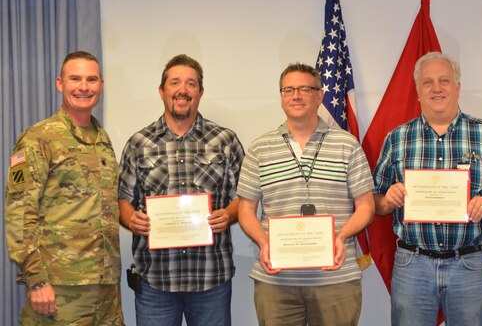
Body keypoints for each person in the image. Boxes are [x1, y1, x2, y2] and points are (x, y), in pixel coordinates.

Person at [372, 52, 482, 326]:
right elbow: (376, 200)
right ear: (417, 91)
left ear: (458, 87)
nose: (437, 88)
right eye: (427, 82)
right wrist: (389, 200)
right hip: (413, 264)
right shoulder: (396, 138)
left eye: (444, 80)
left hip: (468, 264)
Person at [238, 62, 375, 326]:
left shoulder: (347, 144)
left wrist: (342, 236)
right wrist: (264, 243)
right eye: (288, 90)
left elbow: (366, 207)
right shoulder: (260, 148)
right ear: (281, 98)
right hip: (276, 279)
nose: (296, 95)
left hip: (335, 277)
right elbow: (245, 211)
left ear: (320, 95)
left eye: (304, 88)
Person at [118, 54, 245, 326]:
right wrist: (131, 219)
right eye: (175, 82)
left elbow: (243, 199)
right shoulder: (138, 143)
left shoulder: (225, 140)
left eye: (191, 83)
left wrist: (229, 214)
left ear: (200, 92)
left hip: (211, 279)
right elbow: (123, 201)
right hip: (155, 281)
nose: (182, 90)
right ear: (162, 91)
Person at [5, 51, 123, 325]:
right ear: (60, 83)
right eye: (75, 78)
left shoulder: (102, 139)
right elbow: (20, 213)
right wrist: (36, 281)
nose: (84, 87)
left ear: (101, 85)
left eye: (91, 79)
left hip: (105, 286)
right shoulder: (37, 139)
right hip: (59, 287)